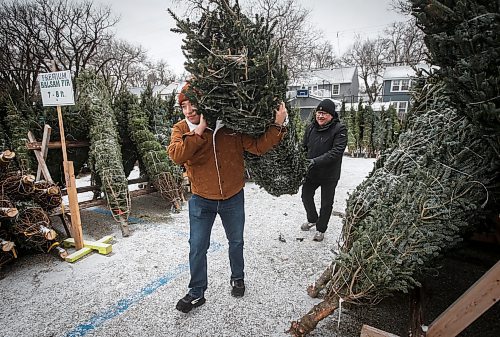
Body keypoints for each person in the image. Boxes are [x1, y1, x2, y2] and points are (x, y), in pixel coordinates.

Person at [168, 83, 288, 313]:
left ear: (204, 103)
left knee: (236, 242)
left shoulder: (229, 126)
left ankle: (238, 278)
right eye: (184, 105)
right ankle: (196, 292)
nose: (189, 110)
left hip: (233, 196)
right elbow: (177, 155)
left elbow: (256, 146)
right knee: (197, 247)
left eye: (192, 104)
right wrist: (200, 129)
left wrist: (277, 125)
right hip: (202, 200)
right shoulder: (180, 129)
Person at [300, 98, 347, 242]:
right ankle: (312, 219)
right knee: (306, 196)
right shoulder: (311, 128)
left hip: (329, 174)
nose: (320, 116)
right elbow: (304, 147)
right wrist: (300, 160)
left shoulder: (340, 129)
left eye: (324, 113)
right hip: (312, 172)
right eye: (319, 113)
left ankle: (321, 228)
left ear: (331, 115)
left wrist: (314, 161)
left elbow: (336, 152)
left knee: (326, 203)